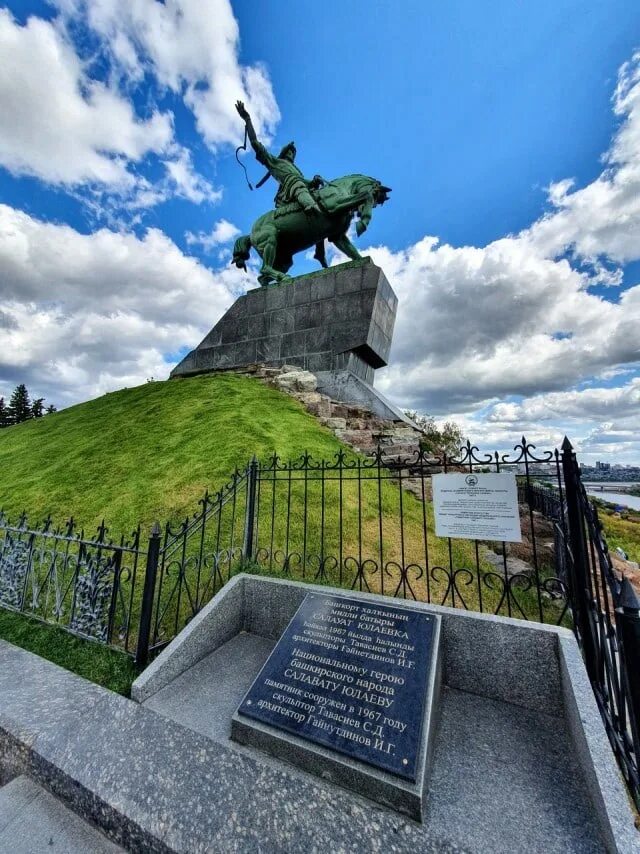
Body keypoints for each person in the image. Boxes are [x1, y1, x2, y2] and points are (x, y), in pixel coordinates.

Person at [235, 100, 323, 213]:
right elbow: (255, 143)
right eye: (289, 151)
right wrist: (247, 119)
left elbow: (306, 182)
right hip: (290, 190)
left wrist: (314, 181)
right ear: (284, 152)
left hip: (301, 187)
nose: (291, 154)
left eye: (293, 153)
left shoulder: (297, 170)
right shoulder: (275, 162)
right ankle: (311, 208)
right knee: (297, 183)